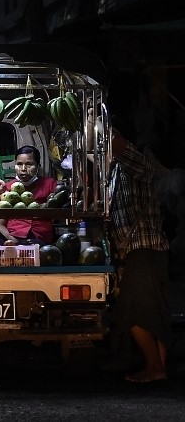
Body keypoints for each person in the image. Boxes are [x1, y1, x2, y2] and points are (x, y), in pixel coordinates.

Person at [108, 129, 170, 384]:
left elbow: (120, 146)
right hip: (139, 250)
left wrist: (103, 129)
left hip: (143, 248)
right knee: (153, 313)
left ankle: (155, 368)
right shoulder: (116, 172)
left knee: (133, 313)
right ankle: (158, 368)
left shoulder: (137, 164)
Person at [0, 145, 58, 244]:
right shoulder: (7, 188)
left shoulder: (50, 185)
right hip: (12, 235)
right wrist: (11, 239)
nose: (23, 169)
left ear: (38, 166)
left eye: (29, 164)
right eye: (19, 164)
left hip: (39, 237)